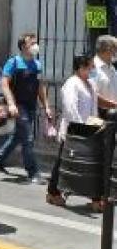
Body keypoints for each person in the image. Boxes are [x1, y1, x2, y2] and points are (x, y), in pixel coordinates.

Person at [0, 33, 53, 184]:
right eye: (31, 43)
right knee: (28, 138)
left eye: (35, 42)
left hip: (30, 105)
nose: (35, 45)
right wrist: (11, 104)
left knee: (17, 137)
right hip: (18, 105)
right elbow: (5, 84)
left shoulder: (37, 64)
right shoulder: (13, 62)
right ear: (23, 46)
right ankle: (33, 172)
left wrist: (46, 106)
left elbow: (40, 86)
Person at [47, 54, 104, 210]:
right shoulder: (72, 83)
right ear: (81, 67)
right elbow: (70, 108)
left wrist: (95, 123)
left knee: (91, 164)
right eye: (90, 66)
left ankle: (95, 198)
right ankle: (53, 191)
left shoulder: (90, 84)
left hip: (89, 129)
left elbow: (93, 107)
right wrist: (81, 127)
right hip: (74, 130)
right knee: (63, 161)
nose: (92, 69)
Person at [92, 35, 117, 114]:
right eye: (116, 48)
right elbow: (92, 95)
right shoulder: (92, 67)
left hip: (113, 113)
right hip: (100, 115)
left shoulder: (112, 68)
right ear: (108, 49)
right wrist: (114, 105)